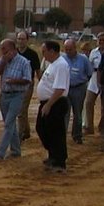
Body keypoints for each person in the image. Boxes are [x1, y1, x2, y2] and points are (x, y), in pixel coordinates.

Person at [0, 38, 31, 160]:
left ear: (13, 50)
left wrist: (15, 81)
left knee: (9, 123)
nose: (2, 52)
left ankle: (0, 152)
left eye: (5, 49)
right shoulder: (3, 60)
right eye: (1, 49)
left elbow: (27, 80)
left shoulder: (24, 62)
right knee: (10, 123)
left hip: (17, 95)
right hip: (4, 95)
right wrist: (3, 62)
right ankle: (16, 150)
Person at [36, 40, 70, 173]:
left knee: (56, 132)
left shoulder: (61, 65)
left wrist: (49, 104)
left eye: (44, 51)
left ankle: (59, 161)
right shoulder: (52, 64)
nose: (43, 54)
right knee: (43, 128)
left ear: (52, 51)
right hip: (48, 102)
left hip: (55, 103)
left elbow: (60, 88)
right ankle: (53, 155)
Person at [62, 38, 93, 145]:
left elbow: (89, 73)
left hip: (79, 88)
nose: (68, 51)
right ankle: (62, 136)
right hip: (66, 88)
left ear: (75, 48)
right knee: (65, 113)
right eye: (66, 49)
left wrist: (81, 82)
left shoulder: (83, 59)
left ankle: (77, 135)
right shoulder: (62, 58)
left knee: (77, 113)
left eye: (70, 49)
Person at [15, 31, 41, 142]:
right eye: (19, 39)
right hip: (15, 84)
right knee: (22, 110)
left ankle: (19, 136)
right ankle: (26, 131)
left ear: (27, 40)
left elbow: (38, 71)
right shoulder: (14, 53)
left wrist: (43, 84)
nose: (21, 41)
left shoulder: (33, 54)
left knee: (21, 110)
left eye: (23, 39)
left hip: (27, 84)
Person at [84, 33, 104, 136]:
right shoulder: (94, 52)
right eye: (99, 40)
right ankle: (89, 127)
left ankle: (102, 127)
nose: (101, 42)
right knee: (89, 102)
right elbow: (90, 66)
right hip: (94, 77)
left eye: (103, 40)